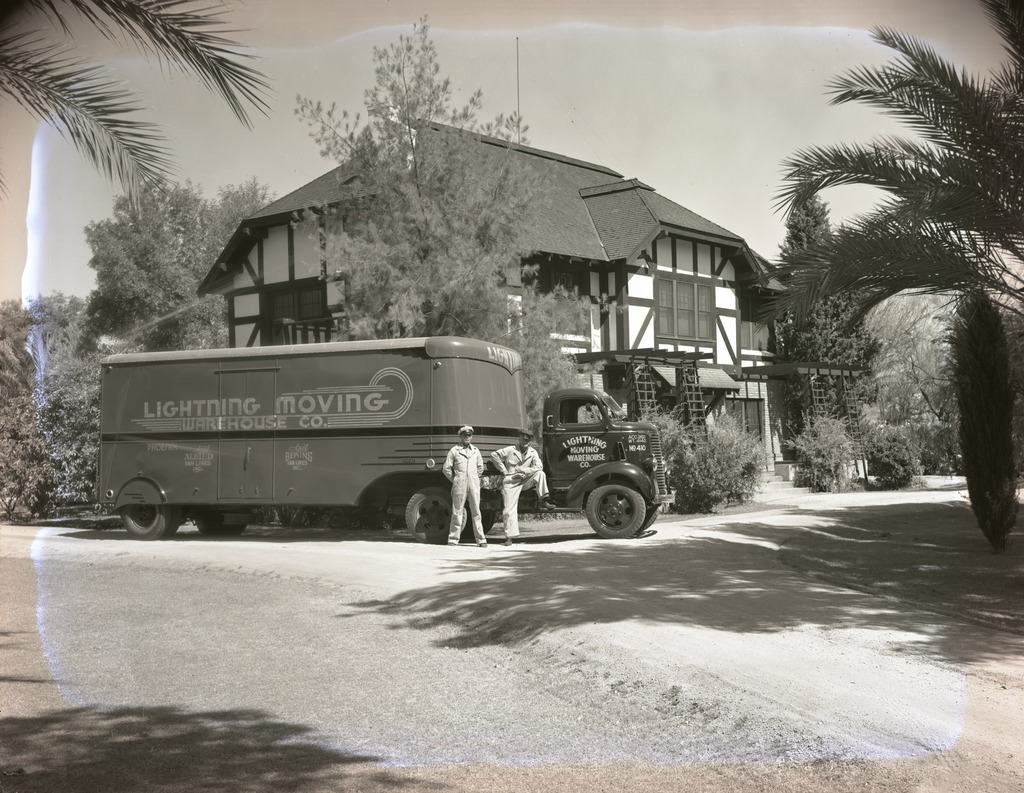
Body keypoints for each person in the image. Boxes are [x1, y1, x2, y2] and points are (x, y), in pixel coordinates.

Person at [490, 428, 555, 546]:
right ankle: (509, 537)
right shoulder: (510, 450)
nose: (525, 440)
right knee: (509, 509)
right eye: (523, 438)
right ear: (519, 438)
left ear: (530, 440)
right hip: (511, 481)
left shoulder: (532, 452)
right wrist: (504, 471)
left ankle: (544, 499)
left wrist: (524, 471)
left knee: (540, 474)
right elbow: (494, 455)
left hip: (525, 480)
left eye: (527, 439)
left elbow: (539, 467)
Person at [443, 425, 487, 547]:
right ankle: (453, 539)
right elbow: (446, 468)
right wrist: (455, 479)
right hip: (459, 484)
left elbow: (480, 468)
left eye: (469, 435)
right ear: (460, 436)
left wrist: (474, 479)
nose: (467, 437)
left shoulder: (476, 451)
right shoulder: (454, 450)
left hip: (473, 484)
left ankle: (481, 539)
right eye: (465, 435)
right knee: (457, 511)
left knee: (476, 512)